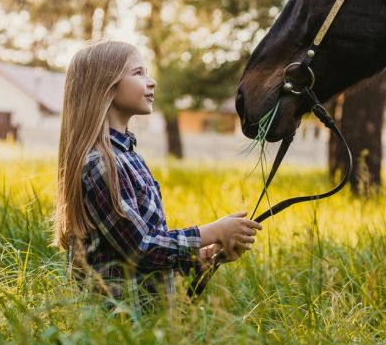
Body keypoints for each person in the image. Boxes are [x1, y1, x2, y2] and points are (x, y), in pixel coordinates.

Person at [50, 39, 261, 315]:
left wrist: (203, 256)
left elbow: (142, 251)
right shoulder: (101, 163)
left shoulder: (128, 156)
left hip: (145, 319)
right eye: (138, 73)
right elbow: (139, 247)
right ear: (106, 86)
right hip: (119, 326)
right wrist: (211, 231)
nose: (152, 82)